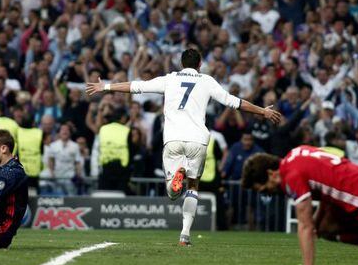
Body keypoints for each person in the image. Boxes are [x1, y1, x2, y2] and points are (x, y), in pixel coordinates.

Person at [86, 48, 281, 245]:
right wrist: (262, 111)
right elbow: (235, 102)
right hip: (198, 139)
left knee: (172, 193)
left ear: (181, 63)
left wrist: (106, 87)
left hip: (173, 138)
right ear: (200, 64)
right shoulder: (207, 81)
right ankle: (185, 234)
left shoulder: (170, 79)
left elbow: (137, 86)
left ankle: (174, 180)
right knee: (193, 186)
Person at [241, 145, 358, 265]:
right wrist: (317, 223)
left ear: (271, 174)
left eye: (264, 188)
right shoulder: (296, 153)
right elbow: (328, 180)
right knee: (325, 229)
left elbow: (305, 226)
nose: (268, 192)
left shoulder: (291, 176)